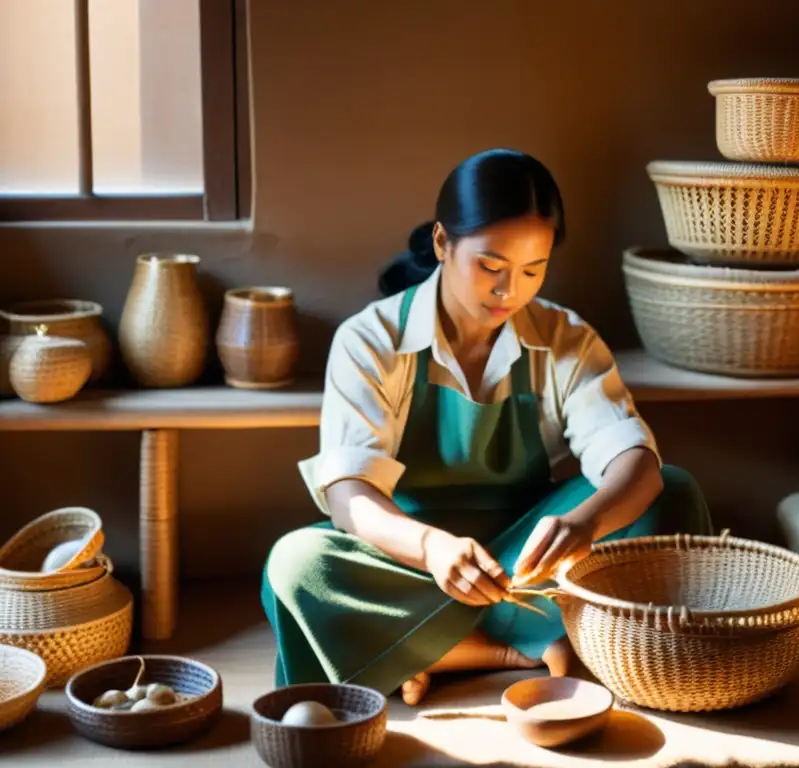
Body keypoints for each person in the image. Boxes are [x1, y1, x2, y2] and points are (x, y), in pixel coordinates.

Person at [260, 148, 714, 706]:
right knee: (297, 566)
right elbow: (350, 497)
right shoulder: (370, 339)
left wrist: (584, 525)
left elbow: (634, 464)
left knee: (673, 490)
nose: (510, 292)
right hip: (412, 559)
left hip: (527, 557)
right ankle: (511, 651)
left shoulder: (565, 339)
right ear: (442, 243)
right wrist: (429, 548)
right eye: (491, 267)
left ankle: (421, 650)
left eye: (533, 270)